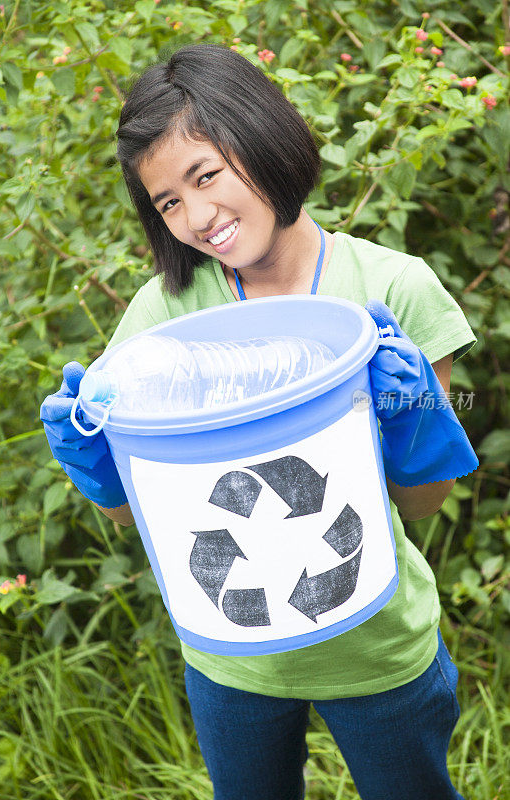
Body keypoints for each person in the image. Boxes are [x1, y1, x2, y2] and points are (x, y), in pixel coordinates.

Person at [41, 43, 478, 800]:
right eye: (168, 201)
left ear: (264, 137)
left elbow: (421, 504)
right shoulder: (162, 319)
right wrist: (99, 464)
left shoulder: (390, 289)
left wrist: (412, 418)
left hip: (376, 647)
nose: (197, 215)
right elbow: (125, 515)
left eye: (205, 174)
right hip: (228, 654)